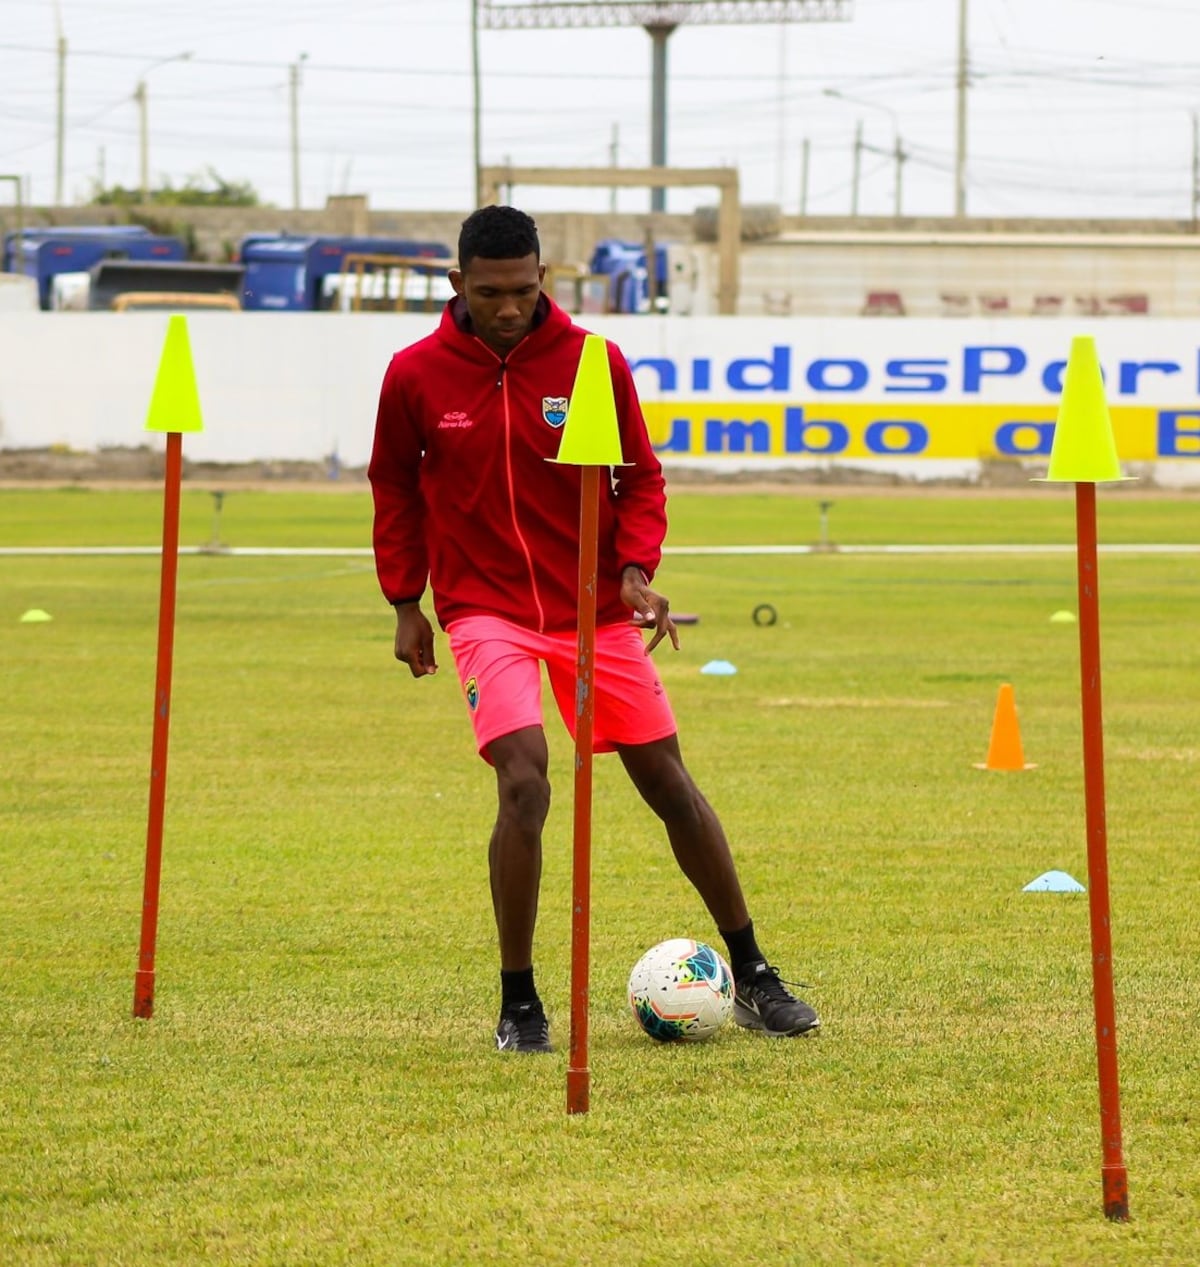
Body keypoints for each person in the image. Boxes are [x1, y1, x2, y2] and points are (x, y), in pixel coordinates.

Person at [368, 205, 819, 1053]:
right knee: (524, 781)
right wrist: (405, 600)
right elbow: (392, 486)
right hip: (486, 610)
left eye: (525, 289)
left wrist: (635, 569)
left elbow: (637, 478)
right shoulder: (415, 374)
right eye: (491, 292)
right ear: (458, 283)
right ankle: (520, 1001)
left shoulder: (590, 363)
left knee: (669, 785)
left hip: (594, 609)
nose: (510, 308)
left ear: (545, 279)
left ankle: (756, 973)